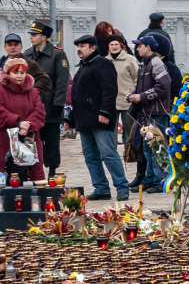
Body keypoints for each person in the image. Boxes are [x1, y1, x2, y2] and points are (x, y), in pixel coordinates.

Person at [66, 35, 130, 200]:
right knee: (90, 156)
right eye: (78, 46)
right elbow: (79, 97)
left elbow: (109, 90)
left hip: (100, 119)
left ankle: (122, 187)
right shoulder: (83, 66)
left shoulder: (103, 64)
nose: (79, 49)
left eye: (83, 46)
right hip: (85, 121)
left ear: (93, 48)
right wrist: (70, 119)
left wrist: (105, 112)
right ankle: (101, 188)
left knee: (108, 153)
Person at [23, 21, 70, 179]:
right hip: (31, 107)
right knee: (32, 141)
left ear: (44, 37)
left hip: (50, 107)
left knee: (51, 143)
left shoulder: (57, 55)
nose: (31, 37)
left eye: (34, 35)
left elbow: (62, 82)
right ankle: (33, 171)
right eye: (31, 34)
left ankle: (51, 171)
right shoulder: (27, 55)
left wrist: (58, 104)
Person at [0, 58, 47, 182]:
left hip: (30, 139)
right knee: (5, 175)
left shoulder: (34, 92)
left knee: (33, 177)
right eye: (15, 72)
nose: (19, 76)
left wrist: (27, 125)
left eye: (22, 72)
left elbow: (40, 111)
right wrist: (17, 123)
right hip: (4, 141)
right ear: (8, 73)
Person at [127, 35, 171, 193]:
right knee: (147, 148)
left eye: (140, 46)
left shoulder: (155, 63)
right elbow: (141, 89)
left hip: (157, 113)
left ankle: (160, 181)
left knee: (157, 148)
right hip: (146, 113)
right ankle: (151, 178)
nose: (137, 48)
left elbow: (164, 86)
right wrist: (133, 95)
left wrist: (141, 97)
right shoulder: (143, 65)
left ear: (149, 47)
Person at [107, 33, 139, 147]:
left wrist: (136, 93)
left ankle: (132, 152)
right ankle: (111, 153)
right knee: (110, 131)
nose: (114, 47)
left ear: (121, 46)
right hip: (111, 101)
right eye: (111, 44)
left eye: (116, 44)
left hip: (127, 100)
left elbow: (136, 77)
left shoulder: (129, 59)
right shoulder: (105, 61)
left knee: (130, 129)